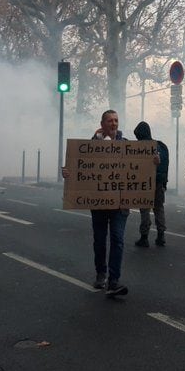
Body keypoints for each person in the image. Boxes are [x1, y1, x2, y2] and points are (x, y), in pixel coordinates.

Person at [62, 110, 131, 297]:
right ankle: (101, 274)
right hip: (99, 203)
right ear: (102, 123)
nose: (114, 123)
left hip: (119, 205)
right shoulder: (90, 146)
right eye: (110, 120)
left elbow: (141, 166)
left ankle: (114, 280)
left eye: (116, 120)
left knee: (117, 240)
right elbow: (78, 168)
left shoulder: (126, 145)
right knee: (100, 240)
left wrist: (153, 162)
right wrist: (68, 173)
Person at [133, 121, 169, 248]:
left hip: (145, 183)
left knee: (144, 210)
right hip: (159, 182)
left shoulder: (138, 148)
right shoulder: (162, 146)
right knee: (159, 208)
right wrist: (164, 183)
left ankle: (144, 237)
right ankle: (161, 236)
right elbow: (165, 167)